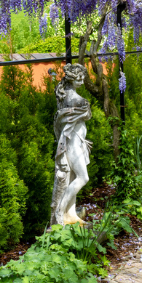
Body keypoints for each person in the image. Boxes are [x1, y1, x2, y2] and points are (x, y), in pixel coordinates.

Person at [52, 63, 92, 225]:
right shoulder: (77, 100)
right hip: (73, 144)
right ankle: (60, 212)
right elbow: (87, 115)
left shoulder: (63, 96)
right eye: (79, 79)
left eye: (83, 78)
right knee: (83, 177)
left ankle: (70, 214)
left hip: (75, 142)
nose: (82, 82)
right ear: (71, 79)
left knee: (72, 177)